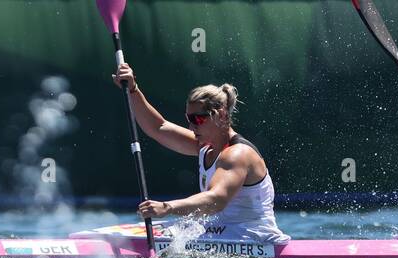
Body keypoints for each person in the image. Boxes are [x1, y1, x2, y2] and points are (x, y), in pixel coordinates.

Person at [111, 63, 289, 246]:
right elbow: (158, 128)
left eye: (197, 119)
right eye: (189, 119)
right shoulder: (206, 147)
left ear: (220, 115)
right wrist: (132, 90)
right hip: (222, 233)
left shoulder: (238, 154)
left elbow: (216, 199)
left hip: (254, 239)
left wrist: (167, 207)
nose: (191, 126)